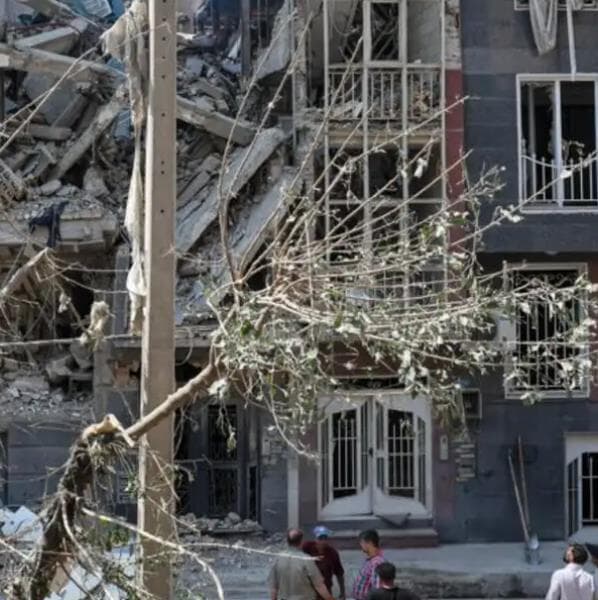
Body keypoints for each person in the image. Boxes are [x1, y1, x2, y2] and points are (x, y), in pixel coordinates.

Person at [268, 528, 334, 600]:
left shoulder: (278, 558)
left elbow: (273, 587)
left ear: (287, 541)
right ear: (302, 541)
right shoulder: (306, 559)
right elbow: (319, 586)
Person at [302, 525, 346, 599]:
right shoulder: (307, 547)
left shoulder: (332, 552)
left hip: (325, 589)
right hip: (308, 590)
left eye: (325, 538)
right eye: (320, 538)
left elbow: (339, 573)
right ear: (315, 539)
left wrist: (342, 592)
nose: (323, 541)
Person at [352, 529, 385, 600]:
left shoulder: (376, 562)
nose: (360, 545)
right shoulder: (371, 560)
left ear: (369, 543)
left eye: (361, 542)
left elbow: (377, 589)